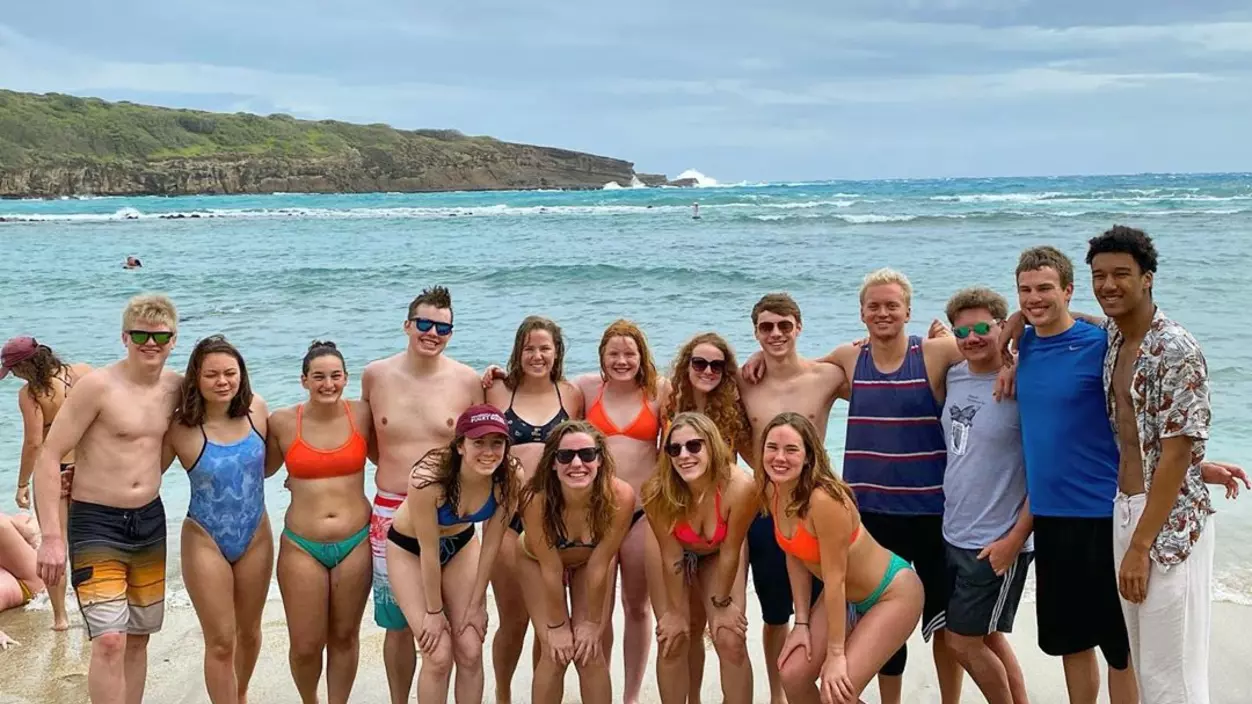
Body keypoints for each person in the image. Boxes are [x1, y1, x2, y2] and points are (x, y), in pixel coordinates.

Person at [745, 273, 967, 704]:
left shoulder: (934, 352)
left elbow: (988, 349)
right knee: (864, 650)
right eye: (874, 306)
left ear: (908, 310)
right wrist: (764, 353)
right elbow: (800, 368)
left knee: (949, 628)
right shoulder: (848, 358)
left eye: (892, 306)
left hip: (933, 509)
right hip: (870, 508)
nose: (883, 313)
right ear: (861, 312)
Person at [32, 293, 182, 704]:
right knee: (109, 640)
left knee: (138, 637)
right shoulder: (97, 387)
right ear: (124, 337)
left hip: (149, 520)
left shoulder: (176, 387)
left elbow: (216, 419)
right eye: (139, 335)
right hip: (96, 522)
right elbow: (47, 456)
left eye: (159, 336)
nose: (149, 344)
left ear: (174, 340)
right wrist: (51, 536)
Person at [1088, 226, 1214, 702]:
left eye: (1121, 274)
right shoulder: (1117, 339)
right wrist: (1018, 320)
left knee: (1172, 675)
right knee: (1144, 667)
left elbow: (1177, 453)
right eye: (1099, 275)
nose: (1108, 285)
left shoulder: (1175, 349)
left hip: (1169, 524)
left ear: (1148, 279)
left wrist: (1141, 546)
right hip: (1126, 509)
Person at [360, 286, 485, 704]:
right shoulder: (375, 374)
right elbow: (368, 441)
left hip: (452, 515)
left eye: (443, 327)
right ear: (407, 325)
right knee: (401, 628)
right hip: (393, 512)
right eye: (425, 324)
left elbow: (487, 444)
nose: (433, 333)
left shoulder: (467, 379)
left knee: (462, 637)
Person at [763, 412, 924, 704]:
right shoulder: (773, 490)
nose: (779, 457)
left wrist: (836, 655)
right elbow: (794, 555)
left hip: (890, 594)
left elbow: (835, 580)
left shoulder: (824, 501)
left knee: (836, 692)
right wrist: (800, 623)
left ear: (809, 456)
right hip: (843, 597)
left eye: (791, 449)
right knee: (792, 676)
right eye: (772, 447)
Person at [733, 293, 847, 704]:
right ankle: (779, 695)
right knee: (774, 612)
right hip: (767, 508)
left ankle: (824, 684)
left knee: (825, 603)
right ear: (756, 332)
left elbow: (878, 371)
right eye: (766, 327)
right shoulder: (745, 379)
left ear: (799, 327)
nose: (776, 334)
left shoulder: (826, 376)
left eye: (784, 325)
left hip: (818, 507)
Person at [162, 335, 273, 704]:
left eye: (230, 373)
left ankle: (239, 695)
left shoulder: (257, 410)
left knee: (251, 631)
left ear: (242, 375)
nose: (223, 381)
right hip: (204, 537)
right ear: (195, 378)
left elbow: (275, 462)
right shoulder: (180, 427)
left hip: (256, 532)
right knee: (221, 640)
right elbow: (143, 474)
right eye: (212, 374)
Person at [385, 404, 521, 704]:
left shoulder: (510, 477)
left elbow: (491, 546)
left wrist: (478, 602)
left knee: (471, 648)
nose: (489, 451)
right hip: (410, 549)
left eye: (497, 443)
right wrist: (434, 612)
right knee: (438, 653)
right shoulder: (428, 479)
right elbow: (428, 551)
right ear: (460, 445)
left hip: (462, 545)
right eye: (478, 442)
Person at [937, 289, 1033, 704]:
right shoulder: (954, 373)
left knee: (962, 642)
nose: (972, 338)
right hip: (954, 531)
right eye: (963, 331)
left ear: (1002, 327)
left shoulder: (1026, 383)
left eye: (982, 328)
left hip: (996, 540)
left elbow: (1044, 473)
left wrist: (1014, 541)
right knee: (986, 636)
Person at [482, 315, 584, 703]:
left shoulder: (570, 395)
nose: (537, 355)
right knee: (513, 620)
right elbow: (470, 441)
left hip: (557, 523)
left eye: (545, 348)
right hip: (507, 520)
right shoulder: (497, 392)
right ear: (517, 352)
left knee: (549, 624)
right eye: (529, 348)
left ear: (557, 352)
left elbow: (585, 454)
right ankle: (504, 694)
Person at [266, 341, 374, 704]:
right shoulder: (282, 421)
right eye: (319, 377)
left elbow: (409, 432)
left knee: (345, 635)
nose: (328, 384)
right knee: (306, 645)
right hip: (302, 544)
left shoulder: (362, 414)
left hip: (356, 541)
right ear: (303, 380)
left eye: (336, 376)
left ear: (347, 378)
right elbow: (255, 469)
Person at [574, 319, 669, 704]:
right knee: (597, 608)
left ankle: (630, 696)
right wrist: (496, 375)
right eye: (613, 353)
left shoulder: (660, 390)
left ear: (642, 355)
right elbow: (535, 383)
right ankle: (602, 693)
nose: (622, 360)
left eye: (629, 353)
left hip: (643, 513)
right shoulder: (585, 389)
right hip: (596, 514)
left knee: (636, 605)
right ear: (601, 357)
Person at [515, 420, 634, 704]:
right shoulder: (535, 499)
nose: (577, 463)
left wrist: (593, 623)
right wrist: (556, 627)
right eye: (566, 456)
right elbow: (551, 567)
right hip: (536, 561)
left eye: (587, 454)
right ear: (553, 463)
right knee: (555, 653)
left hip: (590, 562)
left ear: (600, 460)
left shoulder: (620, 496)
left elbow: (600, 563)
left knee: (589, 652)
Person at [659, 331, 751, 695]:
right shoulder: (667, 399)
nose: (708, 370)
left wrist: (724, 603)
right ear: (687, 364)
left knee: (728, 636)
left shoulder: (734, 408)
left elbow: (758, 460)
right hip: (672, 517)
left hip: (719, 523)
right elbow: (620, 382)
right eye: (700, 362)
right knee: (678, 632)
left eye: (718, 364)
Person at [643, 412, 755, 704]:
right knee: (674, 637)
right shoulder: (657, 493)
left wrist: (722, 603)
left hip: (720, 551)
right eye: (674, 449)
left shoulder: (741, 487)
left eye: (694, 446)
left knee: (730, 636)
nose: (684, 455)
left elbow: (731, 550)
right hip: (671, 551)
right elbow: (671, 557)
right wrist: (676, 612)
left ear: (712, 446)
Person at [4, 336, 93, 631]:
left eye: (14, 369)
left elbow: (33, 443)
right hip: (91, 469)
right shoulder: (82, 372)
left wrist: (21, 485)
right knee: (89, 543)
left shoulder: (30, 394)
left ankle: (60, 618)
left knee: (54, 547)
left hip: (54, 472)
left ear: (26, 366)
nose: (13, 375)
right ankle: (92, 608)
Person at [1, 511, 44, 618]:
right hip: (31, 583)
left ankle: (30, 523)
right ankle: (29, 523)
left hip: (32, 579)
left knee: (22, 520)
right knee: (22, 520)